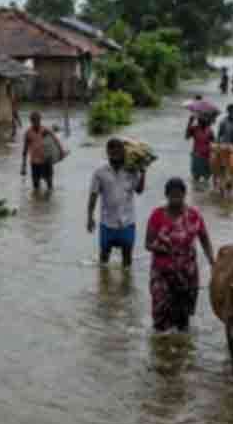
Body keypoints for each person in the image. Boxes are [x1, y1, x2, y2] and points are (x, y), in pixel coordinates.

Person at [145, 177, 215, 332]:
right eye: (172, 195)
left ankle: (181, 350)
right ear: (166, 195)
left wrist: (212, 261)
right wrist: (160, 248)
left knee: (183, 321)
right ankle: (161, 348)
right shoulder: (157, 215)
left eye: (179, 195)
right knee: (160, 315)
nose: (176, 199)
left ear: (184, 195)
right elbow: (147, 244)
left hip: (187, 274)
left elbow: (205, 240)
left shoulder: (194, 216)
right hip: (161, 273)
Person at [87, 138, 146, 269]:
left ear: (124, 152)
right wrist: (90, 217)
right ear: (108, 152)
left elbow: (139, 190)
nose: (115, 153)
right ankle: (104, 285)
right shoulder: (100, 172)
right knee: (103, 260)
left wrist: (143, 173)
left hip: (127, 222)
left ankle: (126, 287)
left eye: (119, 150)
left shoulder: (132, 170)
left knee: (127, 261)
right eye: (112, 150)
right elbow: (93, 195)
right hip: (107, 223)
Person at [21, 112, 60, 193]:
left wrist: (61, 152)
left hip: (46, 161)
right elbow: (25, 150)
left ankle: (48, 202)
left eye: (37, 121)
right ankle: (37, 203)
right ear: (31, 121)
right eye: (34, 121)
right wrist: (23, 166)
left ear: (40, 120)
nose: (36, 123)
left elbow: (56, 141)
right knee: (36, 187)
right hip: (35, 163)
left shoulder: (46, 131)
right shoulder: (28, 133)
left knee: (49, 185)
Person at [185, 114, 214, 185]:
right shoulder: (194, 129)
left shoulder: (210, 130)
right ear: (198, 121)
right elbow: (187, 137)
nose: (203, 122)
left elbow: (213, 142)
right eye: (201, 120)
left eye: (205, 120)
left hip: (207, 156)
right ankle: (196, 192)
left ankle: (204, 192)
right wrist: (189, 122)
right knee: (196, 178)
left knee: (207, 178)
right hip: (197, 156)